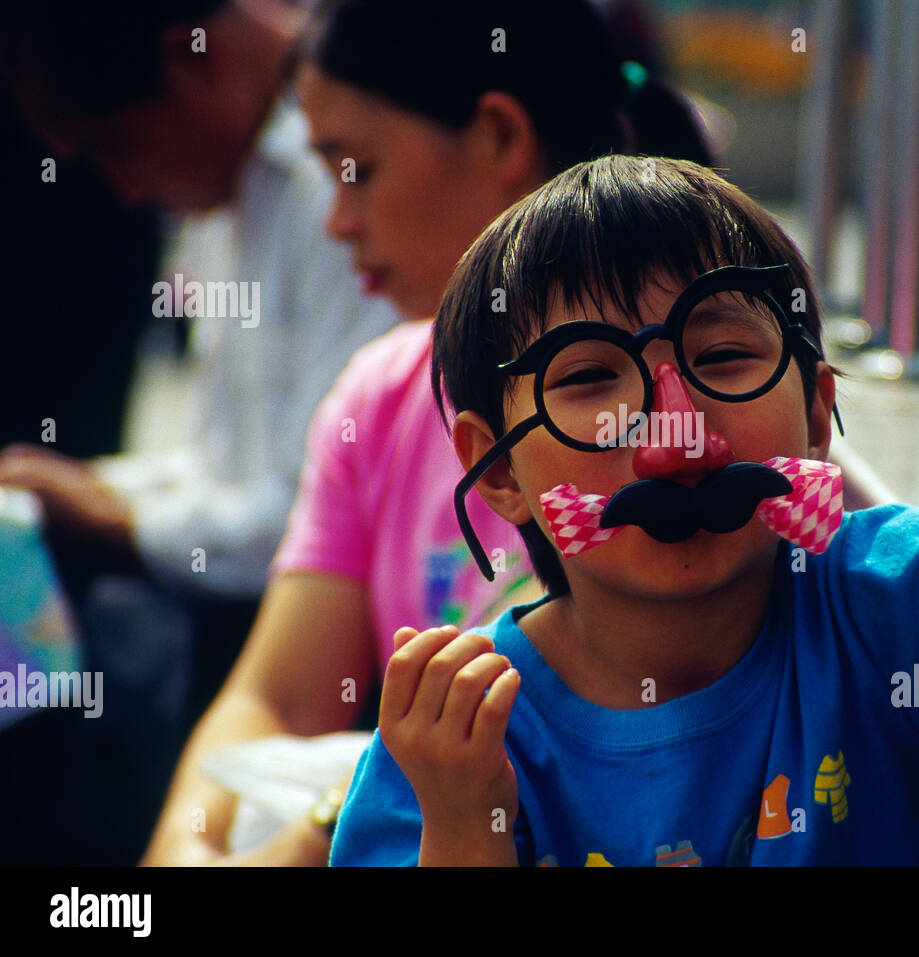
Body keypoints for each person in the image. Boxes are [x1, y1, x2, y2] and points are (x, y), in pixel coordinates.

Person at [329, 156, 919, 866]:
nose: (675, 440)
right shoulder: (454, 737)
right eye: (590, 378)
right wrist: (462, 815)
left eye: (723, 357)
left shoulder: (868, 597)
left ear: (813, 413)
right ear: (497, 471)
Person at [141, 0, 712, 865]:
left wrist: (318, 826)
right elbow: (277, 701)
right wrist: (184, 851)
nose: (336, 221)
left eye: (357, 168)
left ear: (496, 138)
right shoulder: (381, 398)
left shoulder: (684, 401)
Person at [0, 0, 402, 863]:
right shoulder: (239, 195)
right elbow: (243, 470)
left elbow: (293, 523)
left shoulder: (353, 228)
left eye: (119, 146)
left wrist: (104, 511)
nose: (129, 189)